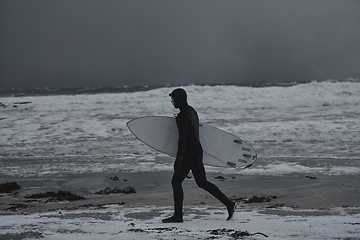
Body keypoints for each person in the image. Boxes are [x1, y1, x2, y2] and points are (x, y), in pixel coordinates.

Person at [162, 88, 237, 223]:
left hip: (189, 153)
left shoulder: (182, 116)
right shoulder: (192, 111)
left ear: (178, 99)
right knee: (202, 182)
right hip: (197, 150)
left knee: (176, 181)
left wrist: (179, 157)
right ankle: (229, 204)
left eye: (172, 98)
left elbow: (183, 138)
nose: (171, 101)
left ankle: (178, 216)